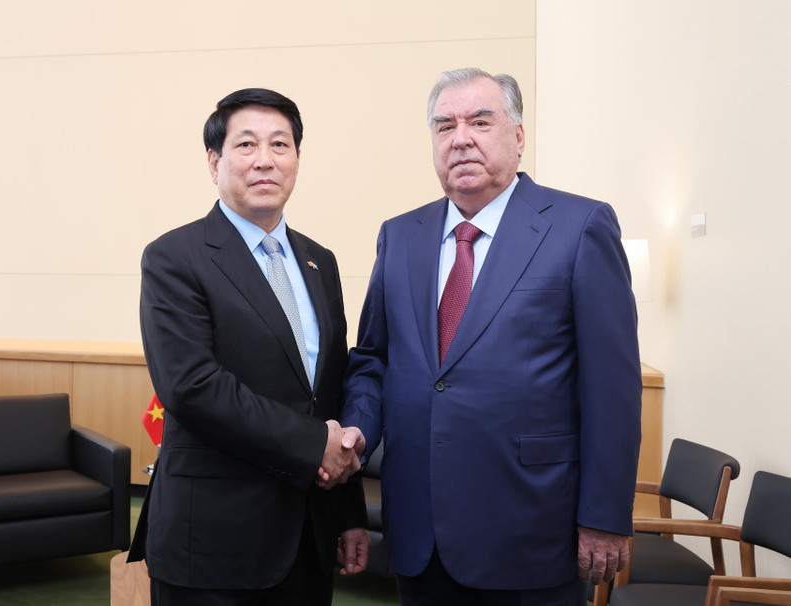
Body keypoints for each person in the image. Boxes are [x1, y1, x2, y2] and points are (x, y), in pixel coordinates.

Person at [340, 68, 642, 605]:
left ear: (519, 136)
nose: (461, 138)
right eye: (444, 126)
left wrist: (604, 515)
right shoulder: (400, 235)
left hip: (529, 530)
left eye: (481, 121)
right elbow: (373, 360)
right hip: (420, 531)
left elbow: (612, 390)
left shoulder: (579, 227)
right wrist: (358, 431)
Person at [128, 87, 370, 606]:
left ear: (297, 160)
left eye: (280, 145)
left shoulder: (319, 262)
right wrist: (314, 447)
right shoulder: (176, 257)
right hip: (214, 543)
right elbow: (193, 387)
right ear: (214, 161)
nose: (265, 160)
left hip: (308, 537)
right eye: (246, 145)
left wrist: (349, 514)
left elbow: (328, 395)